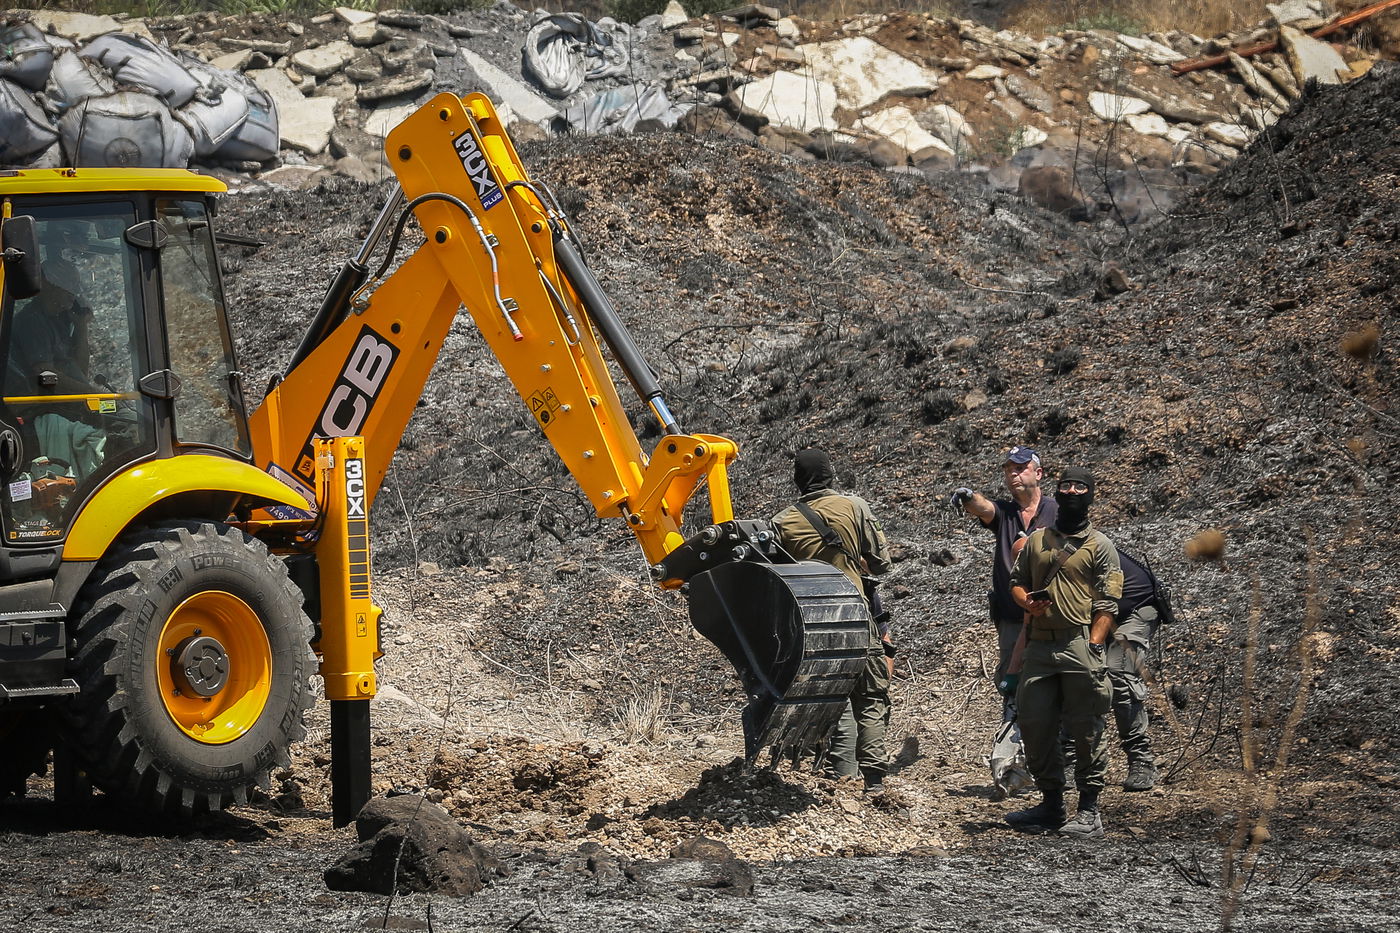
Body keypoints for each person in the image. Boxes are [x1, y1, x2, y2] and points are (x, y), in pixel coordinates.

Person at [1004, 466, 1123, 839]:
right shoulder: (1038, 541)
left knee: (1086, 727)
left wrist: (1094, 645)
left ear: (1090, 495)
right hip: (1040, 646)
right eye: (1065, 486)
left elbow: (1109, 602)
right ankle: (1051, 805)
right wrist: (1027, 602)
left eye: (1080, 487)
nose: (1071, 491)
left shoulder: (1100, 545)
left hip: (1078, 643)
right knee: (1035, 724)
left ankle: (1089, 810)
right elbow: (1017, 583)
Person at [773, 447, 893, 792]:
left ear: (798, 480)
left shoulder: (782, 521)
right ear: (831, 474)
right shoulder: (854, 507)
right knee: (870, 698)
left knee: (832, 699)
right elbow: (882, 564)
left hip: (812, 623)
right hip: (854, 614)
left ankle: (840, 775)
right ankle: (874, 783)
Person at [949, 445, 1057, 720]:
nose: (1013, 475)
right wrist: (968, 496)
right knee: (1012, 677)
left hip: (1052, 613)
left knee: (1052, 678)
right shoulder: (1006, 513)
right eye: (1008, 470)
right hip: (1012, 615)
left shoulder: (1056, 511)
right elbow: (984, 508)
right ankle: (1012, 739)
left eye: (1020, 469)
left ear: (1039, 473)